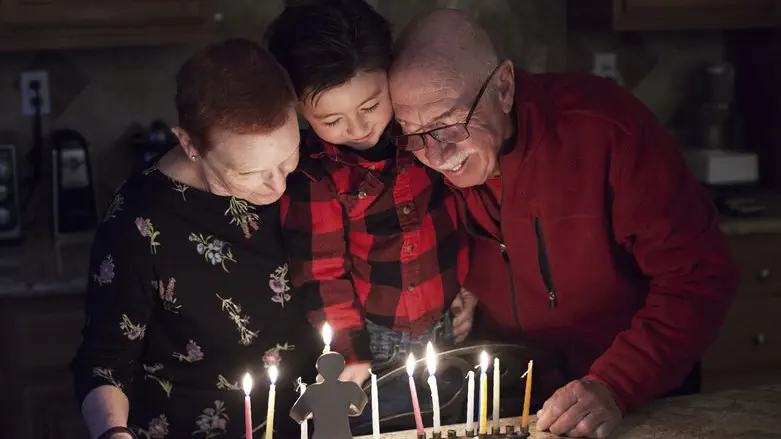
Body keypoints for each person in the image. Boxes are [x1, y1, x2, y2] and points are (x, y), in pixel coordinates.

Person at [388, 9, 739, 439]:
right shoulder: (420, 158)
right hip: (511, 403)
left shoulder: (606, 131)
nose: (437, 156)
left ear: (503, 87)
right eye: (413, 132)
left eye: (448, 125)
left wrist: (617, 382)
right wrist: (455, 288)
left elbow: (699, 277)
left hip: (633, 397)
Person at [71, 39, 318, 439]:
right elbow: (104, 361)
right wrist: (112, 431)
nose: (277, 185)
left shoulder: (308, 168)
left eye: (286, 158)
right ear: (189, 144)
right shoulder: (140, 219)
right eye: (248, 172)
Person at [265, 0, 475, 425]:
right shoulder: (313, 177)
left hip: (448, 327)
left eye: (370, 106)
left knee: (452, 422)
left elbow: (461, 211)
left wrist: (469, 288)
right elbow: (321, 275)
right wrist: (348, 353)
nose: (359, 129)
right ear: (298, 109)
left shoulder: (422, 135)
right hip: (373, 345)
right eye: (332, 119)